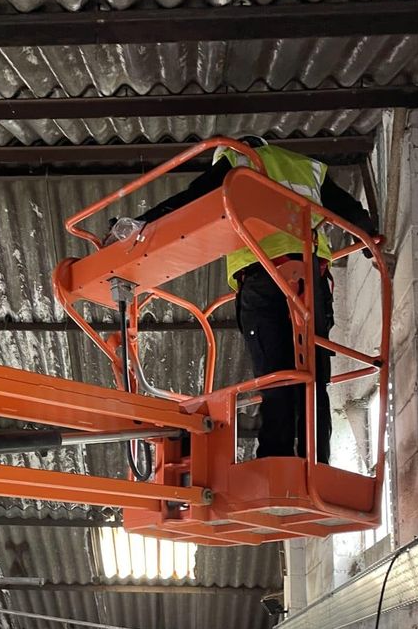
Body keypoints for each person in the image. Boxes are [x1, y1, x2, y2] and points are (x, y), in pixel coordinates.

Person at [111, 137, 378, 463]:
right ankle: (317, 465)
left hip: (263, 273)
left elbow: (192, 198)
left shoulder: (238, 161)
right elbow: (352, 213)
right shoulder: (309, 168)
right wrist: (369, 242)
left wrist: (138, 227)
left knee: (276, 376)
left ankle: (276, 463)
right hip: (313, 279)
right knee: (314, 379)